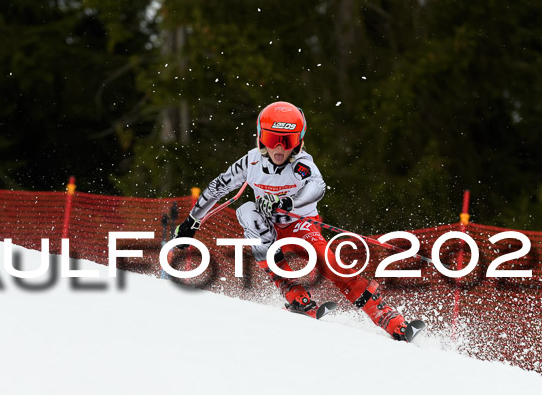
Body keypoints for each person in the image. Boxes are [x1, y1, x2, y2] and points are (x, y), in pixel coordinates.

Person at [174, 101, 411, 340]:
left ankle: (384, 315)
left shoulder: (301, 164)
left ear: (298, 141)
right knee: (246, 211)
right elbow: (218, 187)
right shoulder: (251, 162)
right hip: (269, 229)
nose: (279, 148)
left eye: (287, 141)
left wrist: (288, 202)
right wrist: (192, 222)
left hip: (300, 225)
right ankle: (293, 293)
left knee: (329, 264)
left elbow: (317, 186)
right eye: (271, 138)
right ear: (260, 138)